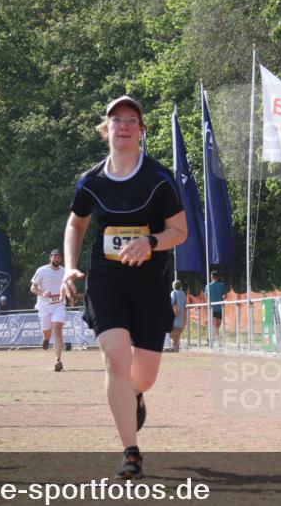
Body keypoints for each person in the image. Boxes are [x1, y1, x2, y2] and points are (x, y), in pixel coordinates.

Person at [61, 95, 187, 479]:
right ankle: (130, 451)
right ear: (106, 129)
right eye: (117, 120)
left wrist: (150, 242)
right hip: (107, 279)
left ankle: (135, 394)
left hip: (151, 281)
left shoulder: (158, 178)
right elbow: (76, 225)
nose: (124, 126)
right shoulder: (91, 181)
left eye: (132, 120)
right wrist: (69, 267)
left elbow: (178, 232)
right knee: (115, 358)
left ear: (141, 130)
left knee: (143, 375)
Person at [31, 249, 68, 371]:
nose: (57, 259)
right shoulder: (42, 270)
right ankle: (46, 339)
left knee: (57, 329)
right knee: (47, 332)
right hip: (44, 306)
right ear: (50, 258)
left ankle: (58, 360)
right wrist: (42, 293)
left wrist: (70, 296)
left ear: (61, 259)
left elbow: (66, 286)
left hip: (59, 305)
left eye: (59, 257)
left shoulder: (64, 271)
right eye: (55, 256)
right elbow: (33, 288)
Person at [204, 270, 227, 346]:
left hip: (212, 308)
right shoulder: (222, 285)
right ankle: (215, 340)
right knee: (216, 326)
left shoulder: (208, 286)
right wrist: (221, 298)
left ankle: (212, 339)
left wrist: (210, 299)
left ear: (211, 277)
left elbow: (206, 297)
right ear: (218, 277)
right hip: (220, 308)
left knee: (214, 326)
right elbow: (225, 296)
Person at [169, 280, 188, 352]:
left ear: (173, 286)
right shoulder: (183, 293)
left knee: (171, 331)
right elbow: (185, 303)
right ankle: (176, 345)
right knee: (178, 331)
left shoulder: (173, 292)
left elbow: (171, 302)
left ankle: (175, 345)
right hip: (181, 313)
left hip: (174, 313)